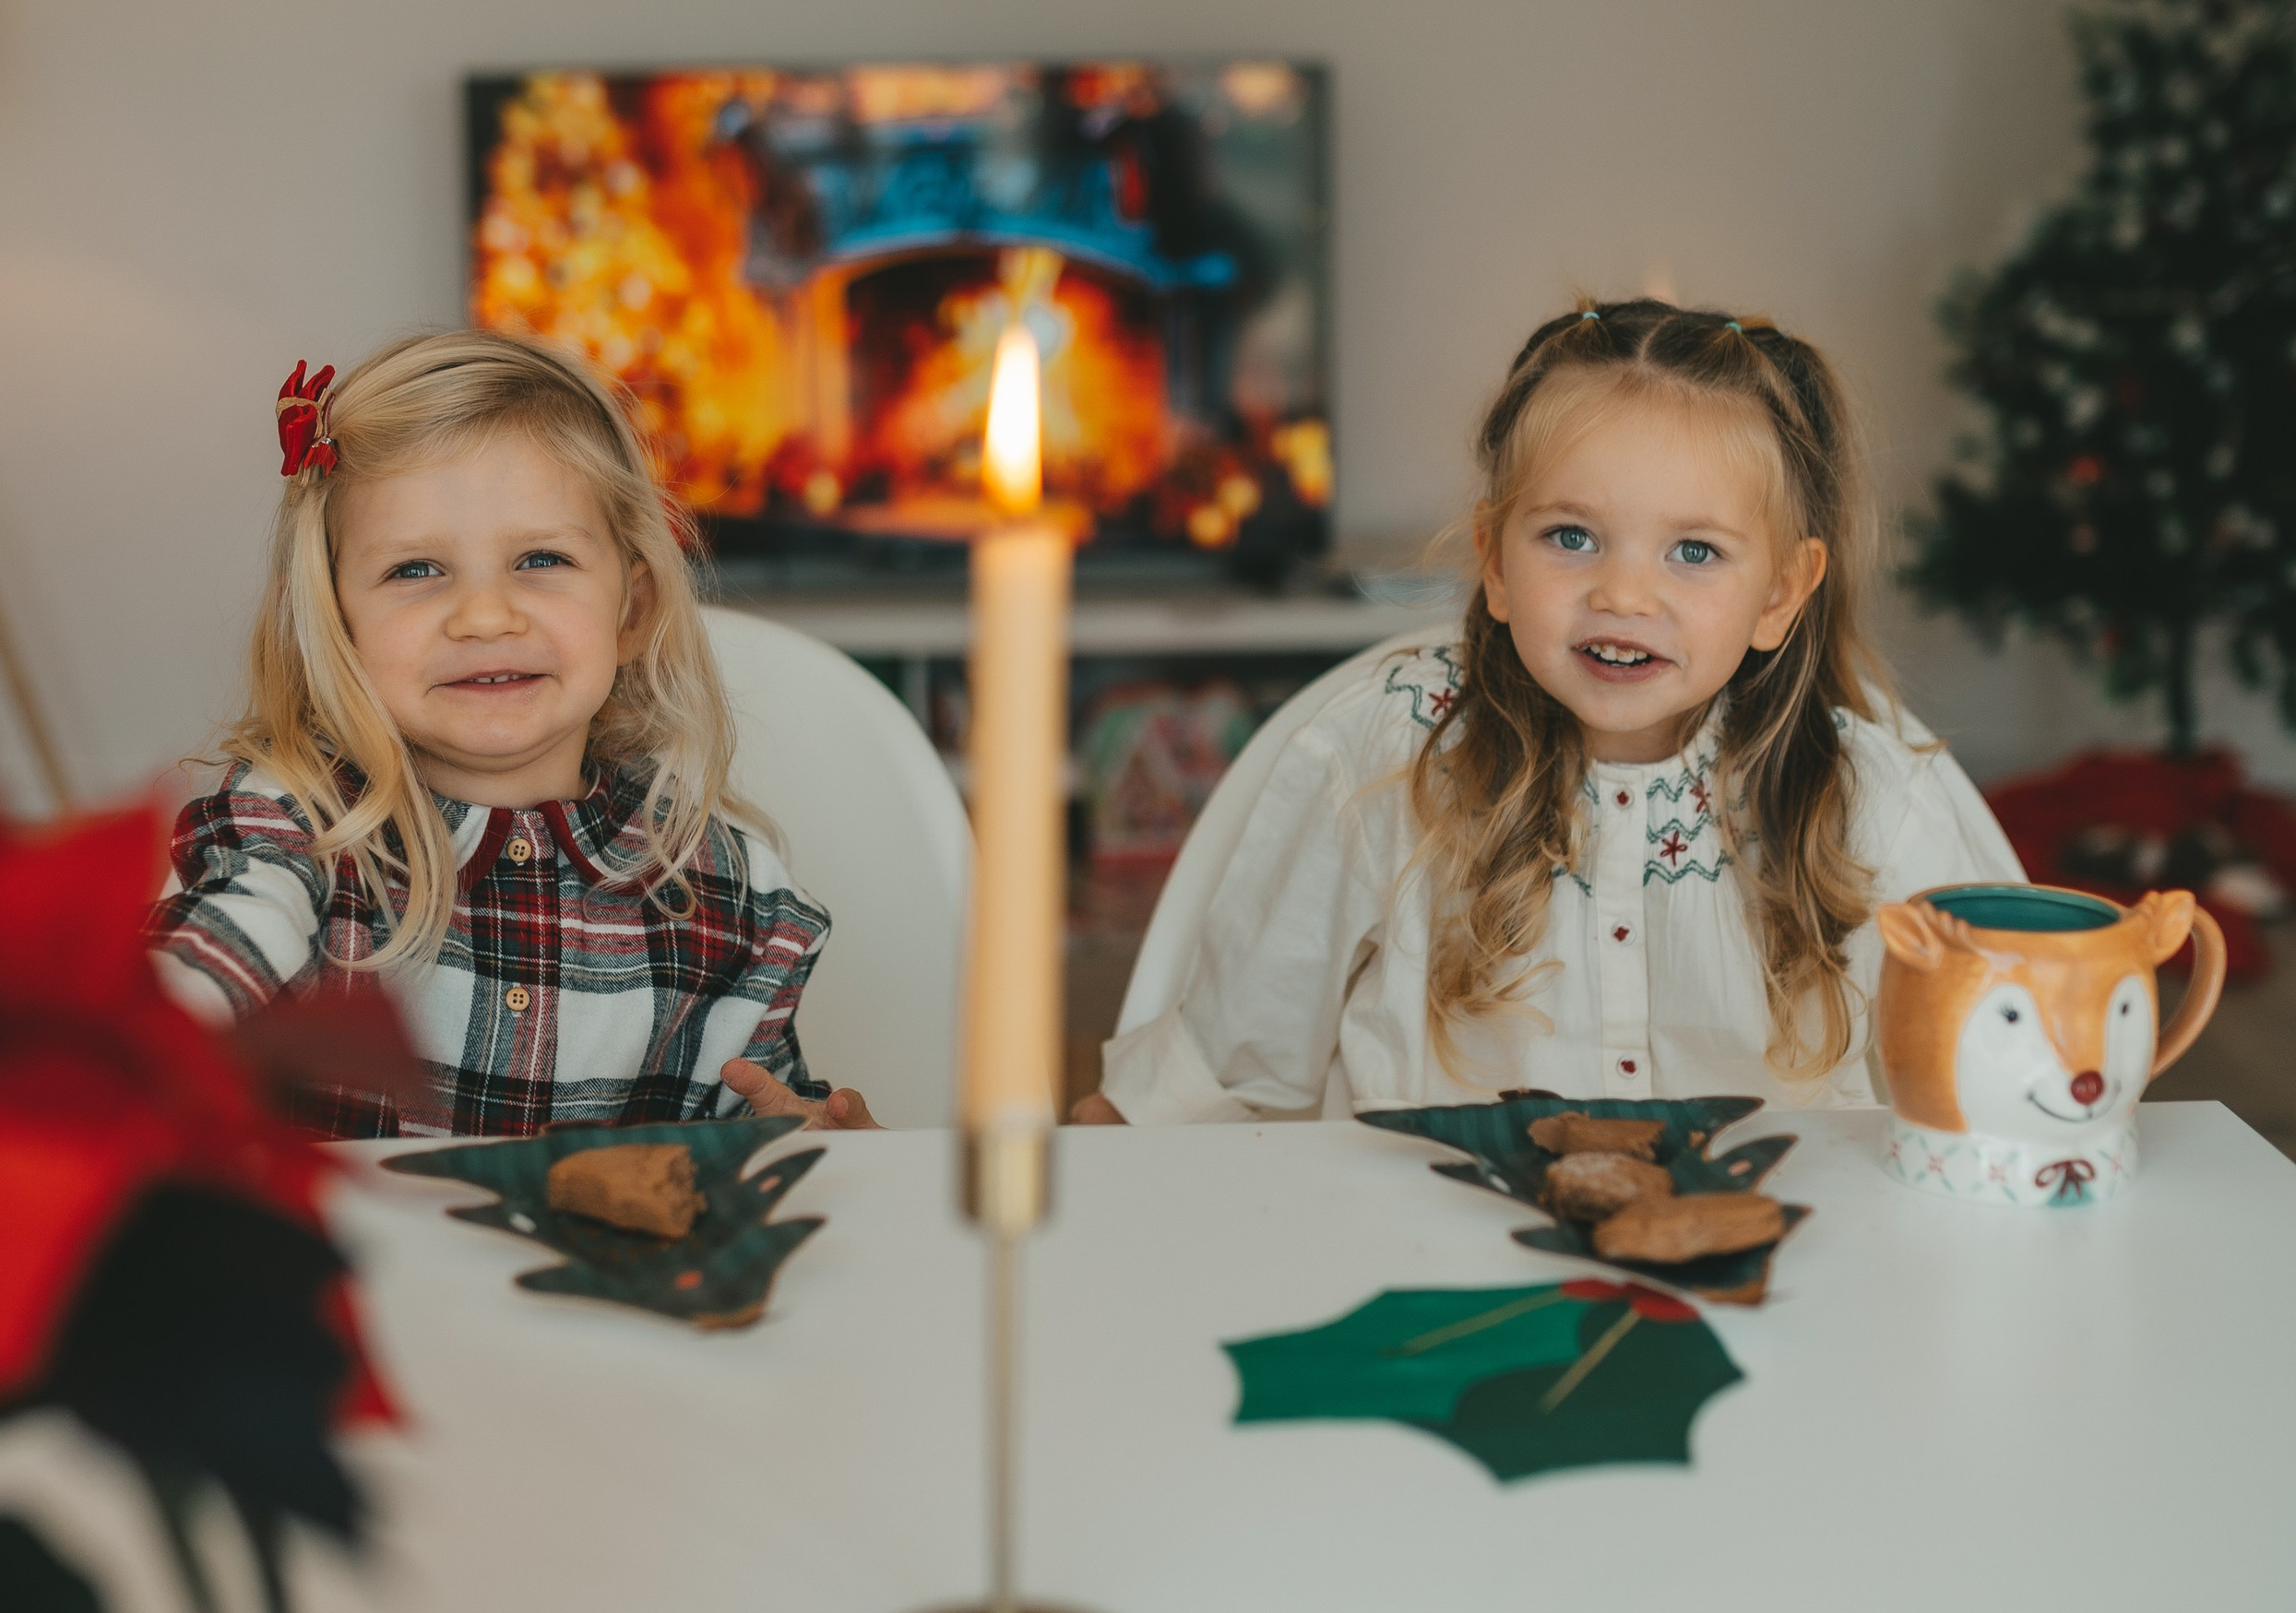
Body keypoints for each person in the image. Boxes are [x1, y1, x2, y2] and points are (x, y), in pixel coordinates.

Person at [1080, 297, 2022, 1124]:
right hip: (1441, 1268)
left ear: (1780, 591)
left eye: (1693, 552)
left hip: (1782, 1280)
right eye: (1570, 536)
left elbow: (2002, 1068)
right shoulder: (1385, 751)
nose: (1622, 593)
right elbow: (1236, 1047)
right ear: (1494, 558)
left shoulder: (1872, 800)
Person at [152, 330, 875, 1139]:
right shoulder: (292, 831)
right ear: (335, 625)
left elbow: (781, 1160)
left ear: (630, 611)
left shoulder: (735, 898)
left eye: (540, 558)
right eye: (416, 570)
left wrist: (835, 1152)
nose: (487, 615)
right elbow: (185, 992)